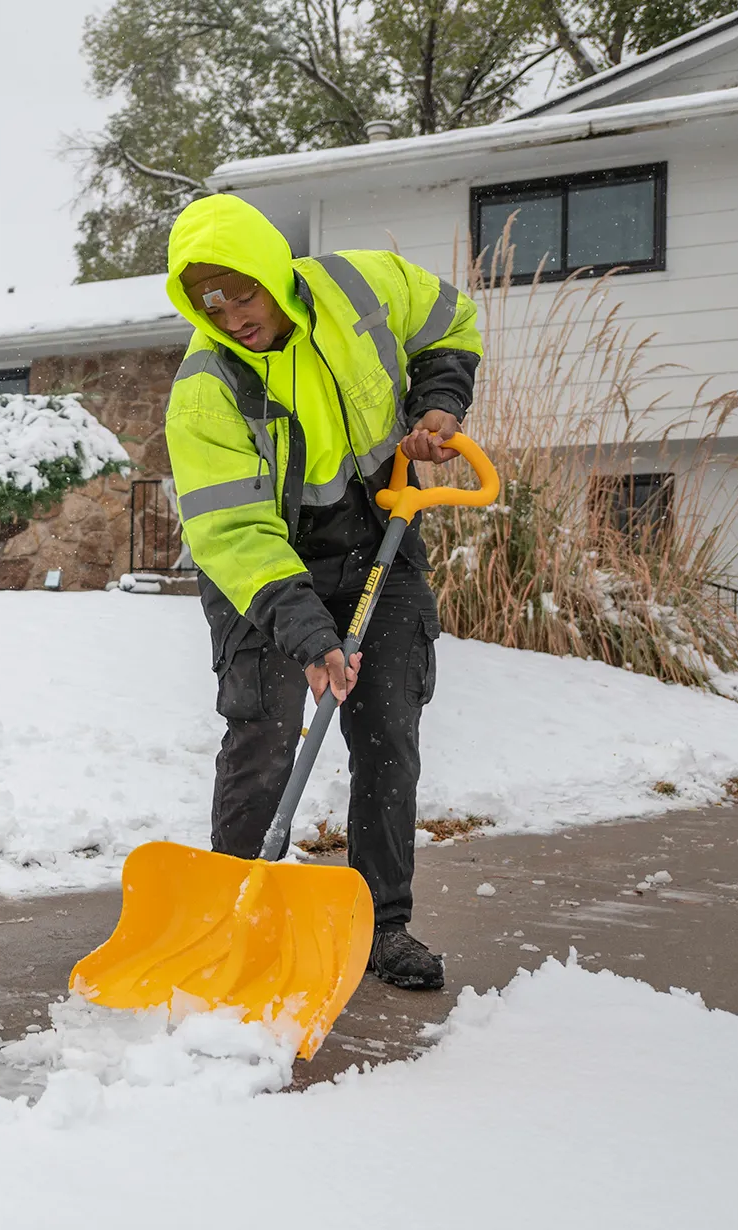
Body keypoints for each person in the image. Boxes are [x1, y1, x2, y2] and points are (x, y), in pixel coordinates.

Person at [161, 193, 482, 991]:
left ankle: (381, 925)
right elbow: (233, 532)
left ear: (271, 271)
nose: (230, 317)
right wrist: (309, 636)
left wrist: (437, 405)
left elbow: (450, 322)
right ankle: (236, 922)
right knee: (265, 731)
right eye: (208, 304)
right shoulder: (205, 389)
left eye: (241, 295)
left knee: (387, 737)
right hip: (263, 568)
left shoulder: (359, 287)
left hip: (378, 536)